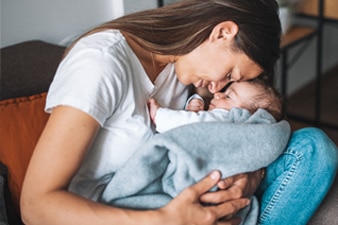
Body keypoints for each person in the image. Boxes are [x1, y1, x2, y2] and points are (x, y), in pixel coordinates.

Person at [20, 0, 337, 225]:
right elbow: (35, 207)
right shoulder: (101, 64)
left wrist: (249, 173)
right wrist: (163, 220)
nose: (218, 88)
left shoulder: (181, 68)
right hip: (128, 212)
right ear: (222, 33)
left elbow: (218, 130)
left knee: (312, 147)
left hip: (185, 194)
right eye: (229, 74)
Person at [148, 78, 285, 133]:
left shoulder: (230, 118)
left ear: (245, 117)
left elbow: (191, 124)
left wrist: (160, 115)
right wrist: (195, 107)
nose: (218, 94)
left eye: (228, 96)